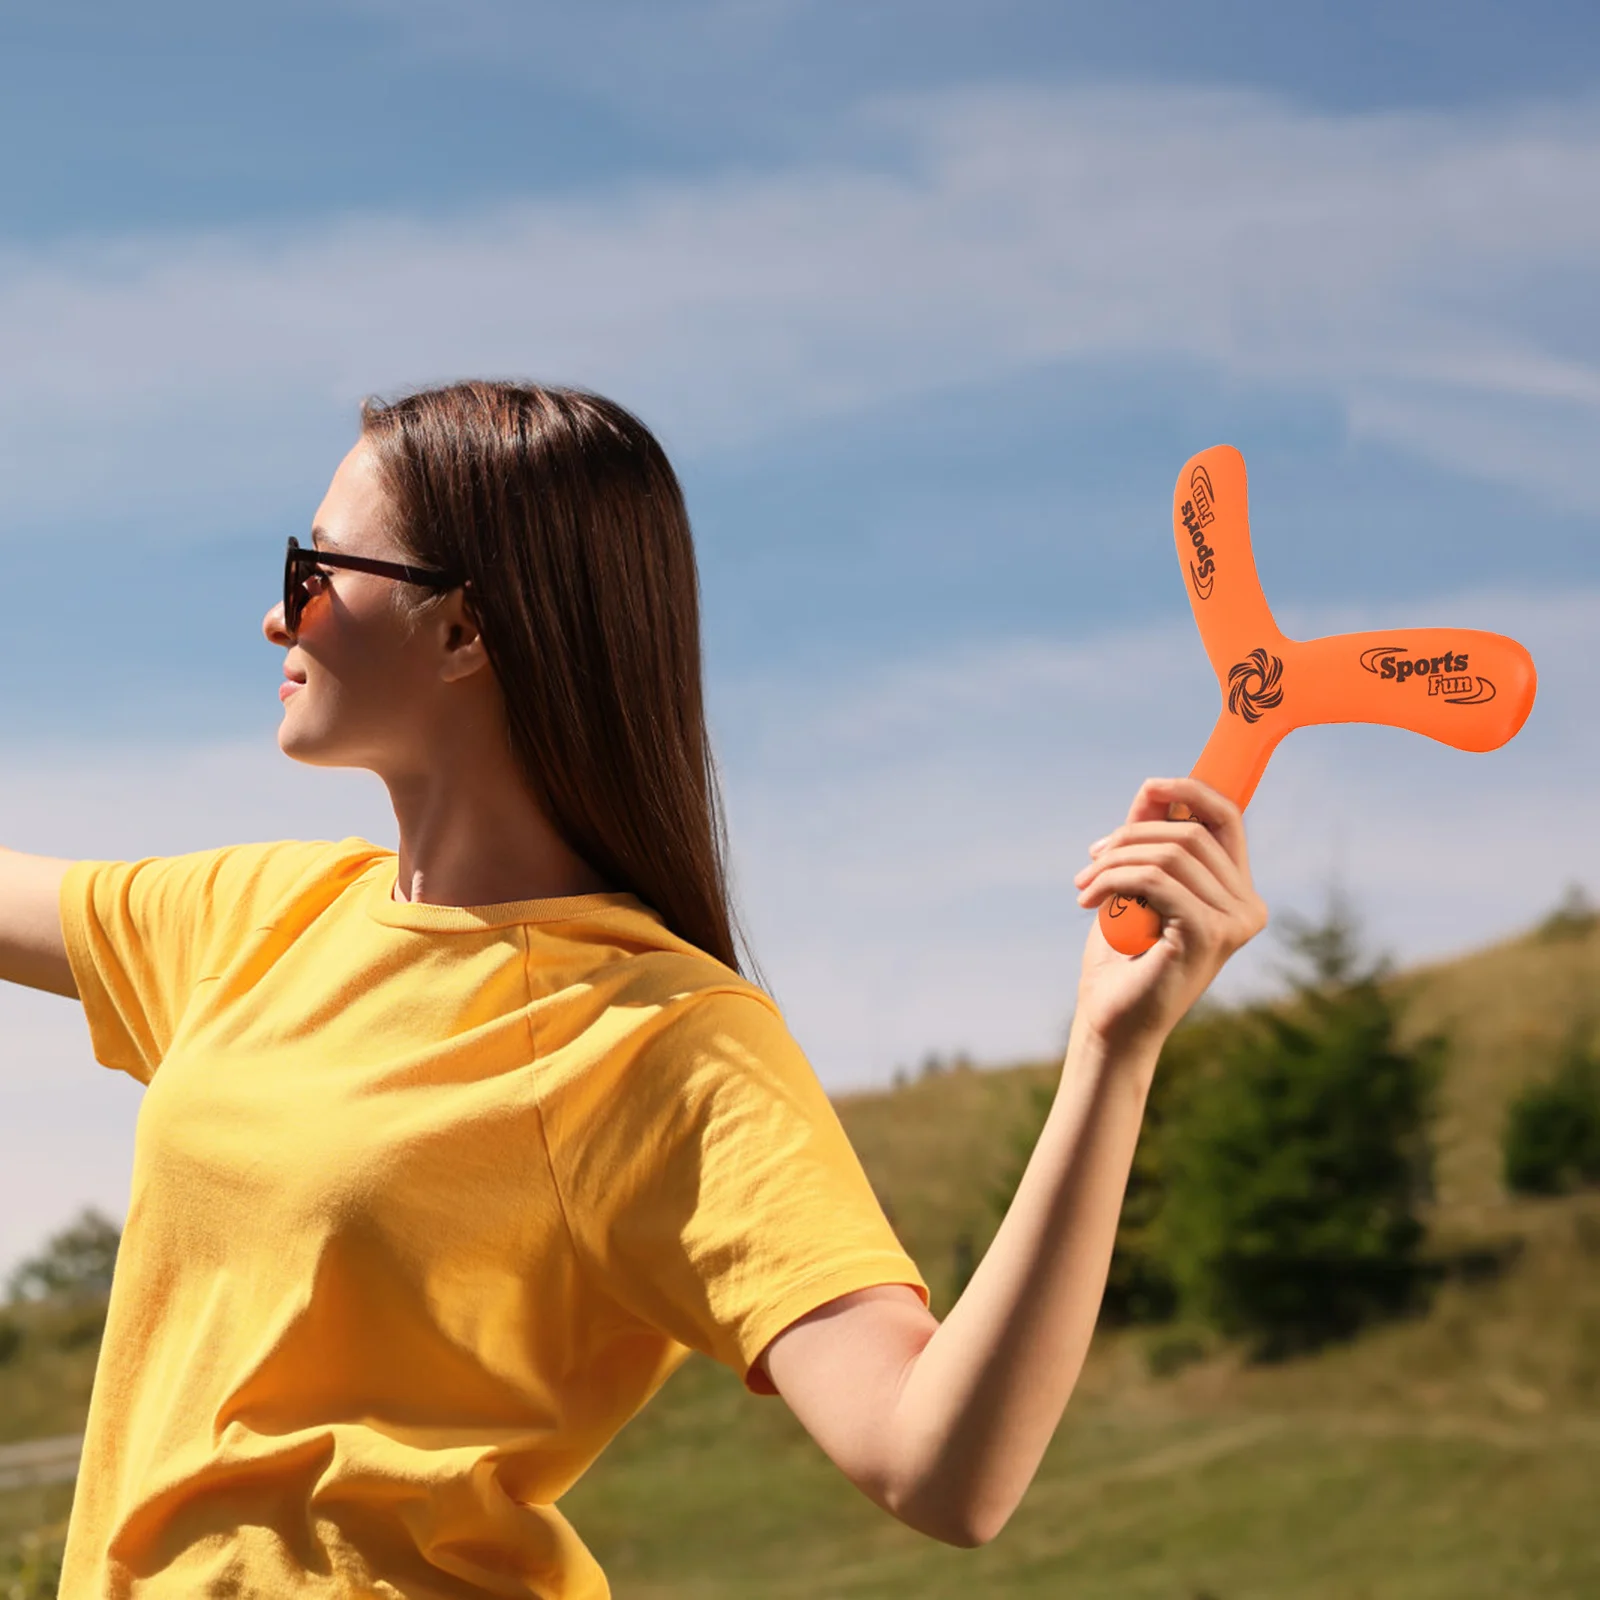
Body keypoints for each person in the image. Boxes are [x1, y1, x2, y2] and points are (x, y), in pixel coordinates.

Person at [0, 381, 1267, 1598]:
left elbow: (942, 1467)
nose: (280, 618)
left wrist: (1113, 1055)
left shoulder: (661, 1040)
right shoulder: (256, 917)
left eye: (314, 571)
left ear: (462, 629)